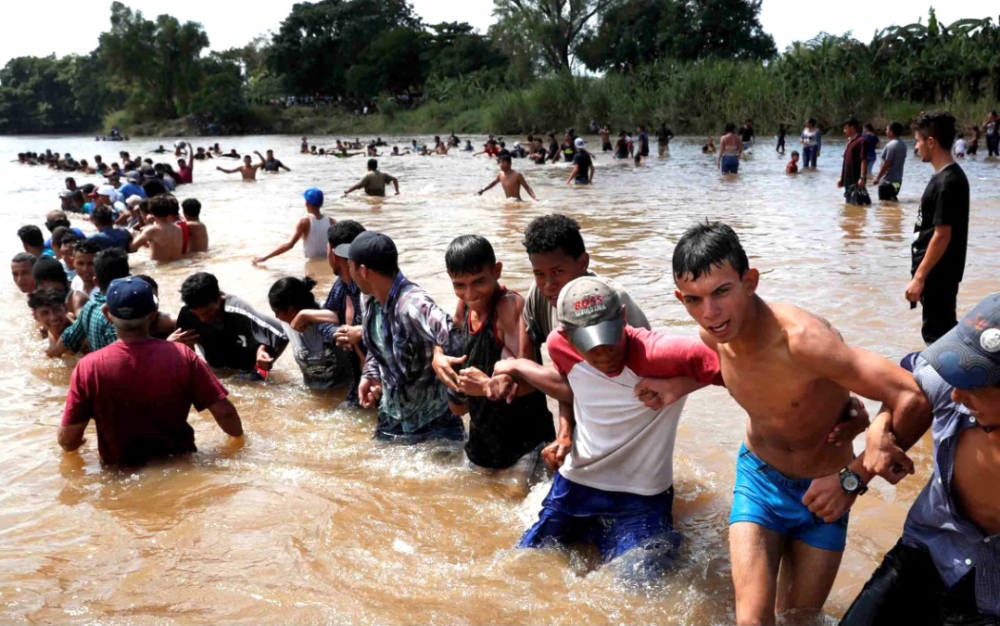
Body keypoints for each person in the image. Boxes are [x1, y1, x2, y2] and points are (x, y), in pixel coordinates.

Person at [671, 222, 930, 626]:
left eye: (722, 291)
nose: (710, 313)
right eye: (694, 299)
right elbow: (762, 386)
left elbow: (911, 395)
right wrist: (670, 387)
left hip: (826, 491)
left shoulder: (804, 339)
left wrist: (854, 477)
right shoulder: (711, 337)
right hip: (759, 478)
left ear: (750, 281)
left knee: (800, 619)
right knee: (752, 621)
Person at [491, 276, 724, 579]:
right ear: (568, 335)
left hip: (640, 495)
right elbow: (572, 385)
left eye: (609, 336)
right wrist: (517, 367)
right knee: (521, 565)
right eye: (590, 344)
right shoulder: (559, 345)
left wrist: (680, 385)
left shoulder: (661, 354)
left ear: (624, 317)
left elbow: (738, 367)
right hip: (576, 485)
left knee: (643, 582)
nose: (603, 353)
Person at [839, 293, 1000, 626]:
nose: (956, 394)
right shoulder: (949, 385)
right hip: (930, 549)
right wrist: (879, 429)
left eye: (973, 384)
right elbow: (908, 388)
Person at [58, 276, 243, 467]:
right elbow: (225, 413)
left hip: (121, 477)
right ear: (154, 313)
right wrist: (240, 440)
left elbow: (68, 440)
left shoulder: (89, 367)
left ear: (107, 314)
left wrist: (72, 443)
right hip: (181, 466)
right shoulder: (183, 356)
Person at [434, 235, 555, 475]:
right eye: (460, 285)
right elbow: (449, 337)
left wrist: (486, 386)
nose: (470, 293)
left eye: (479, 281)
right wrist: (438, 356)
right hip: (483, 443)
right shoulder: (465, 305)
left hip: (524, 443)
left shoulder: (510, 307)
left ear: (497, 271)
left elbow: (533, 381)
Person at [347, 231, 465, 443]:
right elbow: (380, 342)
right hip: (392, 417)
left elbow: (454, 336)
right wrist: (370, 374)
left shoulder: (411, 303)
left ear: (363, 271)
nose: (349, 272)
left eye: (350, 266)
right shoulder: (369, 298)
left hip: (434, 424)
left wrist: (458, 399)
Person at [516, 214, 649, 367]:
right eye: (539, 274)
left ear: (582, 263)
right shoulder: (539, 293)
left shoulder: (610, 299)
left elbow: (650, 362)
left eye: (558, 272)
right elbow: (527, 355)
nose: (548, 285)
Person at [907, 111, 970, 346]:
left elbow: (942, 236)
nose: (916, 147)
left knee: (937, 338)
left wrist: (920, 277)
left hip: (938, 274)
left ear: (931, 142)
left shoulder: (948, 182)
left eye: (918, 140)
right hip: (936, 272)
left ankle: (954, 382)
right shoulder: (945, 177)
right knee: (942, 333)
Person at [175, 272, 289, 379]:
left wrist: (264, 361)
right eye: (196, 315)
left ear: (219, 298)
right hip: (217, 371)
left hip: (246, 374)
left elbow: (281, 332)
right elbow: (185, 345)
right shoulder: (187, 313)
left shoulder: (239, 311)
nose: (203, 319)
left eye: (208, 312)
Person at [268, 277, 350, 390]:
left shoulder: (328, 319)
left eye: (276, 312)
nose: (276, 317)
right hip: (313, 390)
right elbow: (277, 337)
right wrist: (268, 356)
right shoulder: (286, 323)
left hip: (342, 391)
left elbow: (350, 328)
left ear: (291, 310)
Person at [57, 247, 131, 356]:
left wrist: (50, 353)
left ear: (96, 281)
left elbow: (69, 339)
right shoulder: (133, 308)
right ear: (129, 278)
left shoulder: (89, 307)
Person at [253, 188, 332, 264]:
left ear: (306, 203)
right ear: (321, 203)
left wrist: (265, 257)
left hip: (311, 263)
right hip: (328, 263)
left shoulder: (304, 221)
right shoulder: (331, 221)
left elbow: (289, 245)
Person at [129, 196, 186, 262]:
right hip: (177, 265)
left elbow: (132, 247)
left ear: (151, 212)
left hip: (160, 268)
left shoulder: (151, 230)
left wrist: (132, 234)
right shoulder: (178, 228)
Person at [28, 286, 73, 357]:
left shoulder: (80, 337)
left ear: (65, 308)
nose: (53, 318)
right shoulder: (43, 330)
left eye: (57, 310)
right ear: (35, 316)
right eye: (45, 313)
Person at [873, 121, 907, 202]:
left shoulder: (890, 145)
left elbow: (886, 164)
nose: (886, 132)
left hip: (887, 182)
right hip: (898, 182)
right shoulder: (903, 145)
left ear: (891, 132)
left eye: (887, 130)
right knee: (892, 202)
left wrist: (877, 178)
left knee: (884, 205)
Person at [838, 117, 869, 205]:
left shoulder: (861, 141)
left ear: (852, 127)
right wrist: (841, 178)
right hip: (847, 179)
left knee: (856, 205)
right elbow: (845, 162)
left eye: (845, 128)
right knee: (849, 205)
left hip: (856, 179)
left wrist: (862, 177)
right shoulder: (849, 142)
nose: (844, 131)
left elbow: (863, 160)